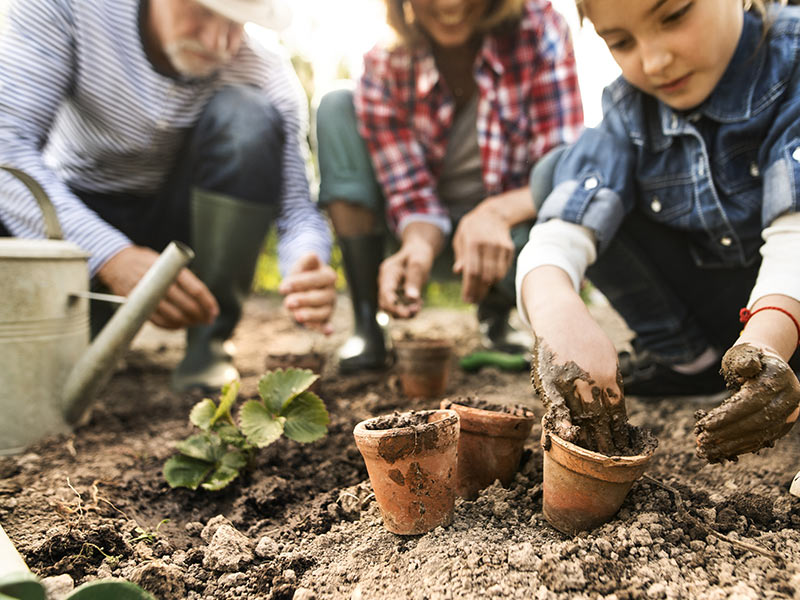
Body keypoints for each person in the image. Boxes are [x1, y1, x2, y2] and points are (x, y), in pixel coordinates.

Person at [0, 0, 337, 392]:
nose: (218, 42)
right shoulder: (67, 8)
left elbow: (296, 211)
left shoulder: (263, 69)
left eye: (237, 23)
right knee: (45, 368)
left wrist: (305, 264)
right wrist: (110, 255)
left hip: (183, 228)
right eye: (205, 11)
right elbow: (7, 147)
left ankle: (208, 344)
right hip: (75, 217)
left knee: (248, 115)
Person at [517, 0, 800, 462]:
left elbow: (795, 238)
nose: (653, 62)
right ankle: (690, 363)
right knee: (557, 174)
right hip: (722, 309)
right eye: (621, 42)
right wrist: (557, 314)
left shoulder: (792, 55)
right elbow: (563, 226)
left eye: (673, 16)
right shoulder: (629, 107)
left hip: (786, 309)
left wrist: (766, 344)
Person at [315, 0, 584, 373]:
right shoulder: (384, 63)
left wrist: (494, 214)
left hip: (512, 236)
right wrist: (419, 244)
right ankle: (366, 320)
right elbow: (410, 193)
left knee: (570, 211)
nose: (450, 2)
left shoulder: (540, 28)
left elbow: (562, 169)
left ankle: (498, 313)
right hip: (427, 239)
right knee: (336, 105)